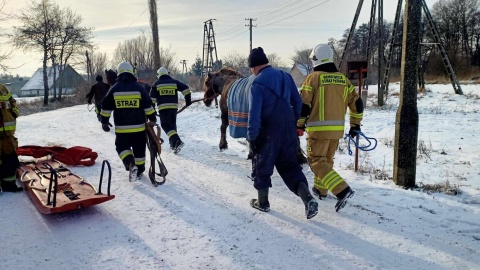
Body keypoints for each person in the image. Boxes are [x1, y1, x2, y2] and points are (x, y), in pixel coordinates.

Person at [247, 47, 318, 219]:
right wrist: (292, 122)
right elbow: (298, 103)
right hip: (288, 129)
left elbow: (254, 115)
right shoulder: (286, 76)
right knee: (290, 166)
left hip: (268, 130)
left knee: (262, 165)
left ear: (254, 67)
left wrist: (252, 138)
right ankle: (308, 199)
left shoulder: (256, 84)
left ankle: (263, 203)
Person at [297, 43, 363, 212]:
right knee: (326, 161)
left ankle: (342, 190)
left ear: (315, 59)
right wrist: (355, 125)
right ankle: (321, 190)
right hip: (336, 132)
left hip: (317, 132)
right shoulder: (344, 79)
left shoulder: (313, 78)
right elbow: (357, 104)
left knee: (316, 162)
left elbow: (303, 106)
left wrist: (298, 125)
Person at [100, 62, 157, 181]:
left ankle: (130, 163)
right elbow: (148, 105)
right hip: (139, 128)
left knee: (121, 147)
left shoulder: (114, 88)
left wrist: (104, 122)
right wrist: (152, 119)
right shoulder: (139, 88)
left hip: (122, 129)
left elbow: (106, 106)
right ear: (132, 72)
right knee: (139, 150)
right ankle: (140, 170)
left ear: (119, 73)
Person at [149, 67, 191, 154]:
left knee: (165, 126)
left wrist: (152, 110)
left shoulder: (156, 84)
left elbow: (152, 99)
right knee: (172, 126)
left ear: (159, 75)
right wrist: (188, 101)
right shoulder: (174, 82)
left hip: (163, 109)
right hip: (173, 108)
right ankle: (174, 145)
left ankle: (177, 141)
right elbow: (186, 89)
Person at [0, 83, 22, 192]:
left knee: (10, 160)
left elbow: (12, 101)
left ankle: (9, 185)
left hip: (8, 135)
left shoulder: (2, 87)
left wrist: (14, 112)